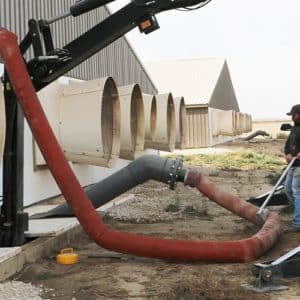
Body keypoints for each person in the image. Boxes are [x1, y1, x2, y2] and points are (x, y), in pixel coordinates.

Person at [284, 104, 300, 230]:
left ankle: (297, 222)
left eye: (293, 115)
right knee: (288, 189)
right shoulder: (294, 129)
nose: (292, 117)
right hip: (292, 164)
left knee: (296, 191)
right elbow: (287, 144)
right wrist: (288, 154)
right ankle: (297, 215)